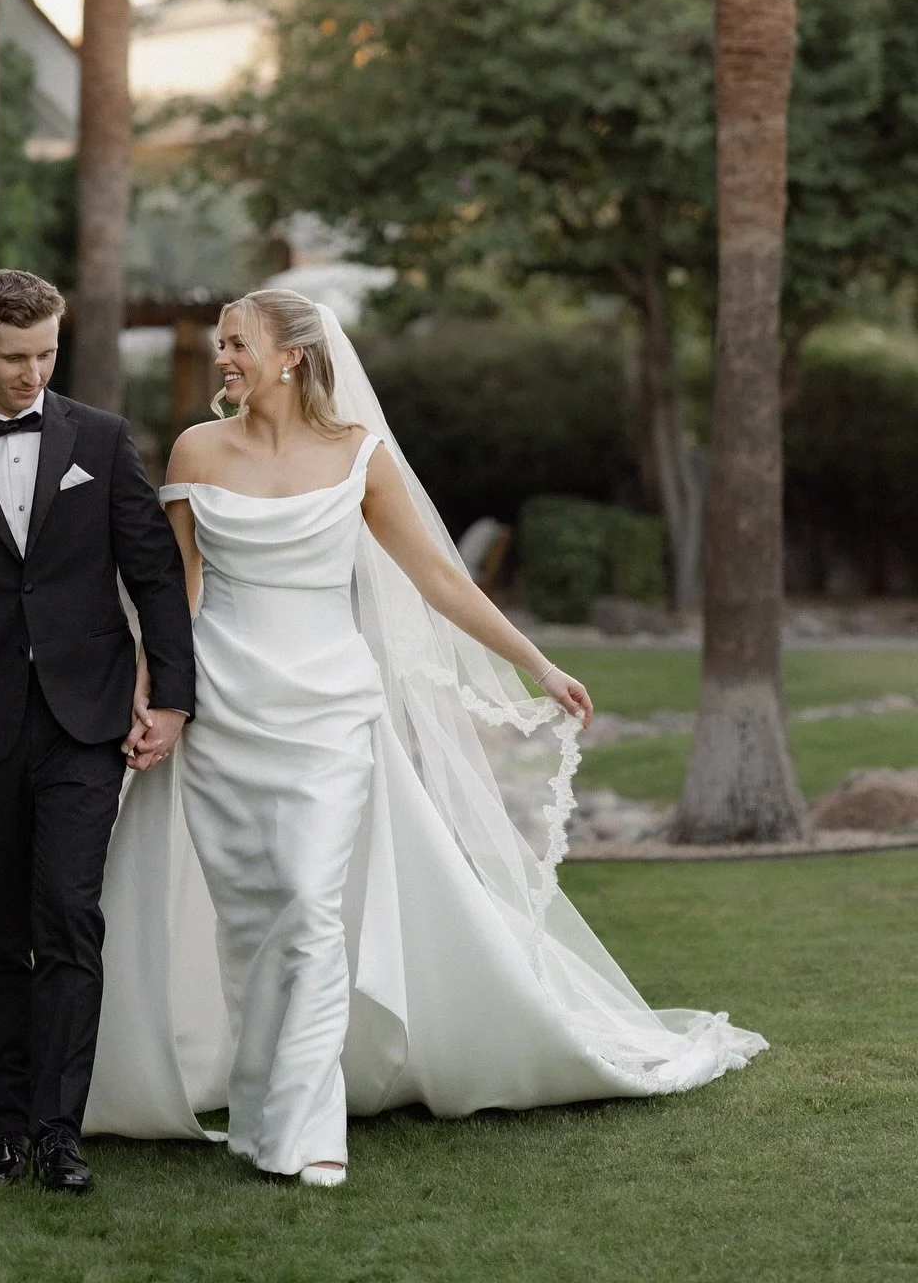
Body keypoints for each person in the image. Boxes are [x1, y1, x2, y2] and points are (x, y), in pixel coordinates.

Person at [72, 288, 766, 1186]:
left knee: (311, 909)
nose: (223, 358)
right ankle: (257, 1105)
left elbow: (439, 578)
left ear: (292, 355)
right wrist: (153, 691)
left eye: (238, 343)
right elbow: (176, 593)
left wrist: (536, 664)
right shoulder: (197, 450)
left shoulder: (360, 455)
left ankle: (309, 1128)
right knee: (251, 923)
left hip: (328, 714)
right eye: (222, 344)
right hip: (224, 712)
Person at [0, 269, 193, 1195]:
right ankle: (5, 1126)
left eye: (48, 354)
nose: (34, 373)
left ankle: (59, 1131)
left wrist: (172, 698)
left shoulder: (101, 439)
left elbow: (154, 573)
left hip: (85, 721)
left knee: (68, 917)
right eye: (16, 356)